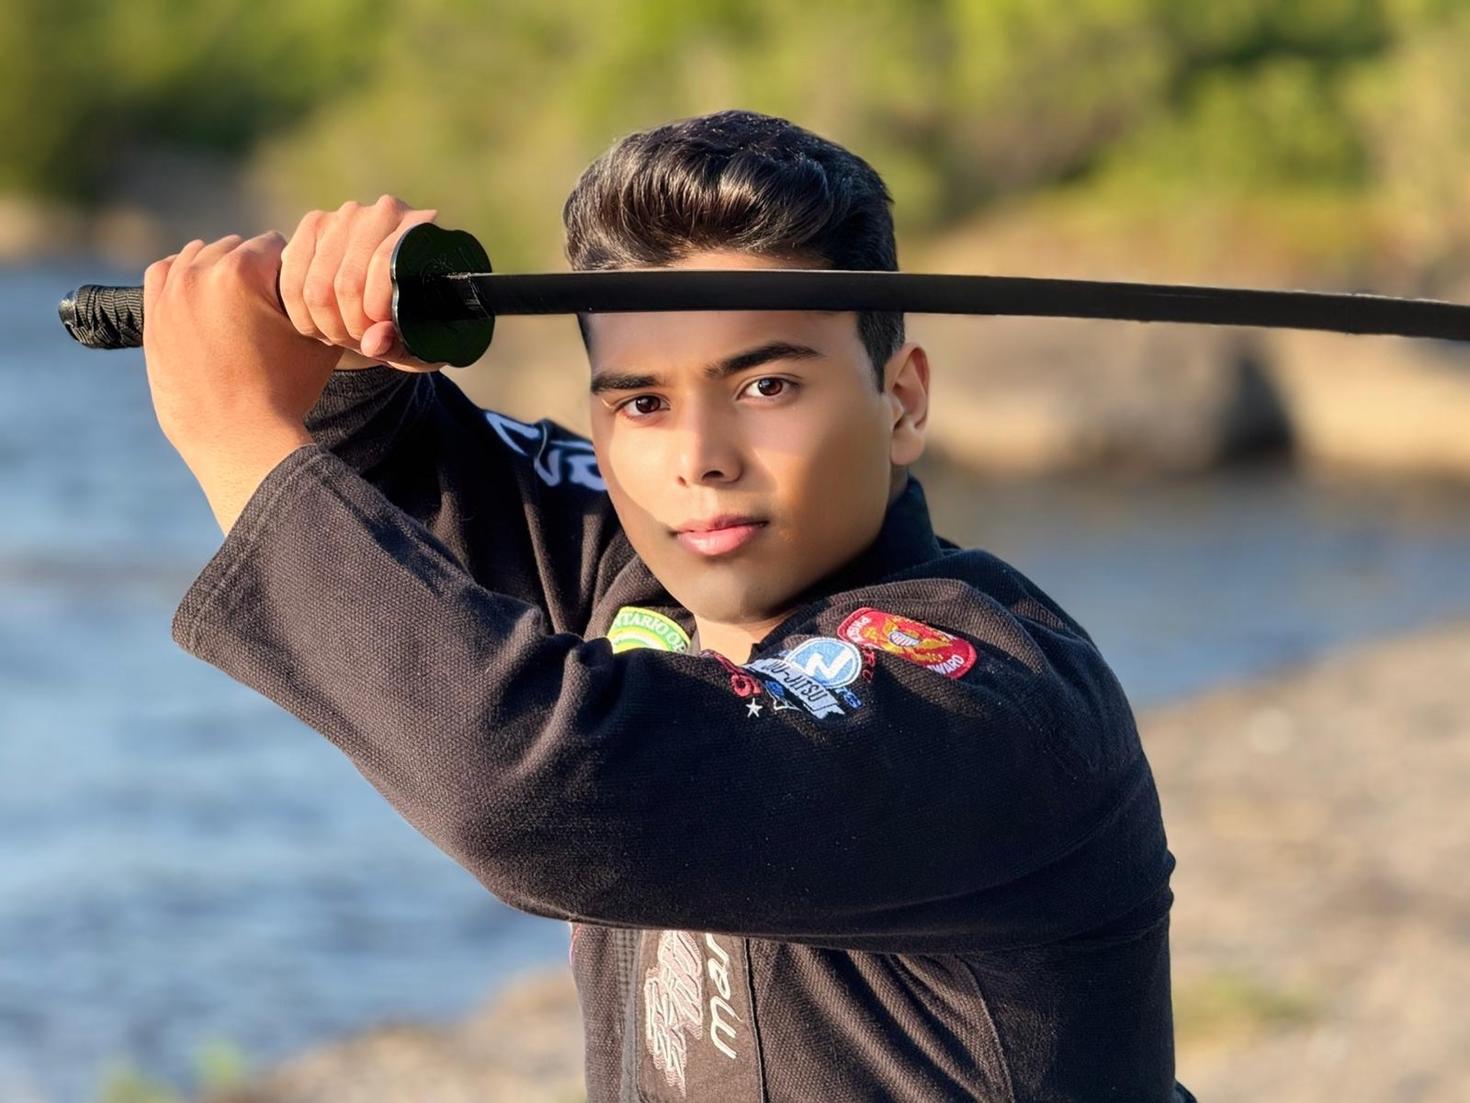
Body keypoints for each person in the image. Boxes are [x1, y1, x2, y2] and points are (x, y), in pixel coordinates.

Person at [141, 109, 1195, 1102]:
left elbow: (536, 784)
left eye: (767, 386)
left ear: (903, 399)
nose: (699, 459)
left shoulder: (991, 699)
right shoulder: (640, 560)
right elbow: (387, 474)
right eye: (643, 401)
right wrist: (347, 357)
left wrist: (238, 436)